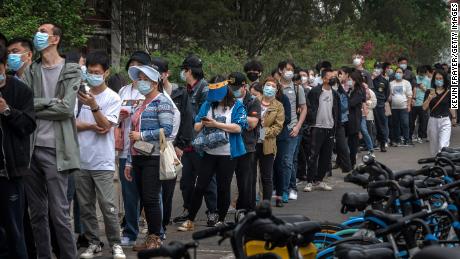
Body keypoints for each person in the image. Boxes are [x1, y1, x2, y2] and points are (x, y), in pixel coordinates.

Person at [23, 22, 79, 259]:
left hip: (57, 149)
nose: (38, 35)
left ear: (55, 39)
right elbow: (23, 106)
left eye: (43, 32)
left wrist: (37, 105)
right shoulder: (31, 69)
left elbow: (66, 109)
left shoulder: (71, 69)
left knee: (59, 213)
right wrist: (50, 102)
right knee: (36, 213)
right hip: (31, 148)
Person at [178, 76, 247, 231]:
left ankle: (221, 220)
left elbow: (238, 128)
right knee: (200, 186)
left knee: (223, 187)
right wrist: (203, 122)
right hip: (209, 152)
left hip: (228, 154)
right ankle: (190, 220)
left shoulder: (237, 106)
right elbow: (195, 127)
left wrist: (217, 124)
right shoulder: (208, 104)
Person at [74, 51, 125, 259]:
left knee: (108, 206)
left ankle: (115, 244)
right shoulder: (77, 95)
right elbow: (70, 124)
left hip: (102, 161)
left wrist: (94, 107)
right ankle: (94, 242)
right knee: (85, 207)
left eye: (97, 72)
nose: (93, 75)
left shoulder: (112, 97)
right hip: (80, 159)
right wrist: (91, 125)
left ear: (106, 73)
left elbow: (107, 125)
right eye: (90, 71)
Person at [124, 65, 175, 249]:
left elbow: (167, 130)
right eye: (139, 79)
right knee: (145, 199)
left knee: (151, 198)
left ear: (155, 82)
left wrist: (143, 136)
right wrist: (129, 162)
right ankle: (150, 238)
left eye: (145, 79)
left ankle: (155, 238)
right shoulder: (141, 103)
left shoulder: (163, 102)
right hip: (138, 157)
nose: (140, 82)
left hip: (153, 157)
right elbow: (132, 133)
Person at [173, 54, 218, 226]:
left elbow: (204, 115)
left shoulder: (204, 88)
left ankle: (213, 212)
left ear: (189, 71)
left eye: (184, 70)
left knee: (207, 180)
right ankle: (188, 210)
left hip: (201, 143)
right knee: (186, 181)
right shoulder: (185, 89)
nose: (183, 74)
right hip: (186, 143)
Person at [0, 44, 36, 259]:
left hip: (9, 172)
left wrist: (6, 110)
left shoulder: (20, 90)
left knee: (14, 228)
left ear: (4, 66)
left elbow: (28, 125)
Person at [152, 56, 192, 235]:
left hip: (171, 147)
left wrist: (181, 145)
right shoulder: (147, 93)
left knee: (167, 187)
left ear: (165, 74)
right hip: (150, 147)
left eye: (157, 72)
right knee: (151, 189)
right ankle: (153, 225)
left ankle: (162, 224)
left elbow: (186, 120)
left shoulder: (179, 93)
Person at [117, 51, 151, 247]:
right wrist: (119, 116)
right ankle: (130, 231)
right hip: (126, 149)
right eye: (132, 66)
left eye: (139, 66)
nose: (135, 70)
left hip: (145, 148)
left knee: (150, 193)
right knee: (129, 194)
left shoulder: (151, 90)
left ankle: (156, 232)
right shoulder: (123, 91)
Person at [274, 60, 307, 202]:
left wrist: (298, 126)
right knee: (276, 161)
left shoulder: (297, 88)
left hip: (291, 129)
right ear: (280, 70)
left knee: (287, 161)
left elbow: (304, 108)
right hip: (275, 129)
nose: (290, 72)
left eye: (292, 70)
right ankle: (278, 187)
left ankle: (285, 191)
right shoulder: (273, 86)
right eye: (287, 69)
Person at [228, 72, 260, 211]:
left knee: (246, 181)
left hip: (246, 146)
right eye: (231, 87)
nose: (233, 90)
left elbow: (253, 123)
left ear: (244, 86)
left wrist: (235, 117)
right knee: (226, 179)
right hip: (228, 144)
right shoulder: (226, 99)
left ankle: (247, 210)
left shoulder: (252, 101)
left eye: (236, 87)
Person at [304, 68, 340, 192]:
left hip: (330, 128)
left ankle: (319, 180)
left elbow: (337, 111)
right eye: (331, 77)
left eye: (334, 77)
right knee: (313, 155)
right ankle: (309, 181)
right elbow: (308, 108)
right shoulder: (315, 91)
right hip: (317, 127)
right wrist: (310, 122)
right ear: (324, 78)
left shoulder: (335, 94)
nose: (333, 79)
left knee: (326, 157)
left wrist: (337, 126)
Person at [255, 77, 284, 205]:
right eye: (268, 85)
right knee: (249, 176)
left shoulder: (278, 106)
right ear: (263, 86)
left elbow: (277, 127)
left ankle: (265, 205)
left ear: (276, 89)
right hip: (251, 144)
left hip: (267, 145)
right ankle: (248, 204)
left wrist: (261, 132)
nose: (269, 88)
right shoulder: (254, 101)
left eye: (273, 86)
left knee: (266, 177)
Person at [423, 70, 456, 156]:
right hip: (433, 120)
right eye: (437, 78)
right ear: (434, 80)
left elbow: (452, 106)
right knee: (434, 147)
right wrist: (429, 98)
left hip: (445, 120)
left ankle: (442, 162)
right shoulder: (429, 92)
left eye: (441, 78)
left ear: (444, 79)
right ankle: (436, 163)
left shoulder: (450, 92)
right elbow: (424, 108)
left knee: (443, 146)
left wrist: (454, 117)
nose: (439, 80)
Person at [333, 67, 352, 173]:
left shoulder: (341, 92)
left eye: (338, 76)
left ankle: (347, 168)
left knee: (342, 145)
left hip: (340, 121)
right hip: (327, 122)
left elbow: (345, 107)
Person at [345, 71, 366, 169]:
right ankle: (348, 162)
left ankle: (352, 163)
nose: (349, 81)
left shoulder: (359, 91)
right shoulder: (351, 90)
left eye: (350, 80)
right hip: (349, 119)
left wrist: (345, 100)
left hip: (354, 120)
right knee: (349, 142)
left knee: (353, 143)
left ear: (355, 80)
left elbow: (351, 104)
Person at [389, 67, 413, 146]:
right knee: (395, 124)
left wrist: (409, 105)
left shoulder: (406, 83)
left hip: (404, 107)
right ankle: (397, 139)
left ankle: (407, 139)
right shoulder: (391, 83)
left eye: (400, 72)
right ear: (395, 73)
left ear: (403, 74)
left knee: (405, 123)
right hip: (394, 107)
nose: (398, 74)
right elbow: (389, 95)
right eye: (397, 72)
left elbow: (409, 95)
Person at [410, 65, 431, 143]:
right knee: (412, 120)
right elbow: (411, 88)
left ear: (425, 73)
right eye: (420, 73)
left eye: (422, 74)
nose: (421, 75)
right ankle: (411, 135)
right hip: (414, 103)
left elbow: (429, 92)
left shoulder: (428, 80)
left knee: (422, 121)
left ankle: (420, 136)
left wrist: (424, 88)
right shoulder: (414, 78)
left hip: (423, 103)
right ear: (417, 72)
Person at [372, 62, 390, 152]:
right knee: (370, 125)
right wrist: (371, 78)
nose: (376, 69)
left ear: (382, 70)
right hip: (370, 104)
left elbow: (387, 94)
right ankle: (371, 143)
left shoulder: (385, 81)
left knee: (381, 125)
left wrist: (381, 101)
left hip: (379, 105)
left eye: (378, 68)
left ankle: (382, 143)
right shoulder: (369, 79)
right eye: (375, 67)